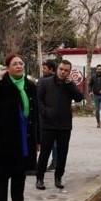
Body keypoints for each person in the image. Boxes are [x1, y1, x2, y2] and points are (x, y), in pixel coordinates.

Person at [0, 54, 38, 201]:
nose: (19, 66)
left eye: (21, 63)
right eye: (15, 64)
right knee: (3, 175)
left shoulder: (31, 86)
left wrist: (37, 139)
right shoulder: (0, 87)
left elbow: (36, 113)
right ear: (7, 68)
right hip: (4, 138)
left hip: (25, 136)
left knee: (20, 174)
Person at [35, 59, 84, 190]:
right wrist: (45, 113)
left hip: (64, 125)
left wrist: (70, 85)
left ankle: (58, 177)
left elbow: (79, 97)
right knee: (44, 153)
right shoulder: (44, 82)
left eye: (66, 70)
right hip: (48, 124)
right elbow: (38, 100)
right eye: (61, 69)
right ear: (57, 69)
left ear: (69, 72)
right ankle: (40, 178)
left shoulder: (69, 84)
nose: (63, 72)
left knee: (63, 153)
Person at [40, 59, 58, 170]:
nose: (43, 70)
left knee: (54, 142)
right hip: (44, 115)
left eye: (45, 68)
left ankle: (55, 162)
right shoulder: (42, 80)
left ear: (51, 69)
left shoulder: (57, 81)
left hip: (54, 116)